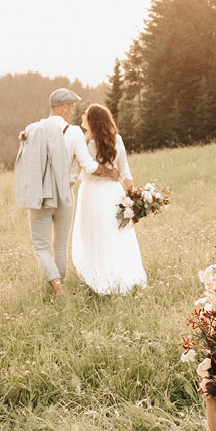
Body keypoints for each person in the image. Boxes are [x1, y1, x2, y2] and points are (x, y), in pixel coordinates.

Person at [14, 88, 93, 296]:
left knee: (41, 246)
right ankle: (61, 285)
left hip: (41, 196)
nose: (73, 111)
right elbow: (84, 164)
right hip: (65, 195)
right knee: (60, 246)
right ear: (64, 107)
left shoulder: (33, 130)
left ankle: (57, 287)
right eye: (72, 107)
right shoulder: (74, 131)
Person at [71, 104, 147, 295]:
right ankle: (118, 272)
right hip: (113, 192)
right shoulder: (117, 140)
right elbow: (125, 172)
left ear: (93, 121)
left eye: (86, 115)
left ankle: (98, 273)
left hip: (91, 193)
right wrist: (133, 195)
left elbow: (82, 169)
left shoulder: (85, 143)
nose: (82, 116)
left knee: (95, 233)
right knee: (114, 232)